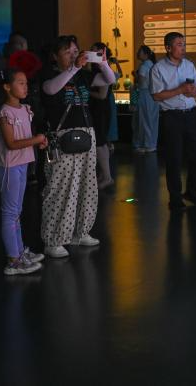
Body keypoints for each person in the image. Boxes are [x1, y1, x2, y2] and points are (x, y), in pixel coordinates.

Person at [39, 36, 117, 258]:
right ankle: (54, 239)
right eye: (67, 52)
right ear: (55, 56)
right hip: (62, 135)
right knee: (60, 188)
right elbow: (51, 89)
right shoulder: (49, 75)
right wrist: (74, 68)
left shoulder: (83, 75)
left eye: (75, 51)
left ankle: (80, 232)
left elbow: (110, 79)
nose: (74, 55)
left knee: (87, 185)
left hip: (86, 133)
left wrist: (103, 62)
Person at [0, 68, 46, 276]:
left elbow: (24, 138)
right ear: (7, 87)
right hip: (10, 167)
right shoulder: (5, 113)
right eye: (20, 83)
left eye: (26, 83)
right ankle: (13, 260)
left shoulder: (24, 109)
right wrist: (36, 139)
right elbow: (12, 143)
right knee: (10, 212)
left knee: (16, 211)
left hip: (21, 164)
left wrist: (37, 141)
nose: (25, 87)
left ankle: (19, 252)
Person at [150, 32, 196, 211]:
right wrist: (180, 90)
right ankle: (175, 198)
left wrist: (193, 92)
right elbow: (156, 96)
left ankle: (192, 191)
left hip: (191, 114)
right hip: (171, 116)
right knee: (174, 158)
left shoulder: (189, 65)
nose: (183, 48)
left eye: (184, 44)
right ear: (168, 48)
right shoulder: (158, 68)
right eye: (179, 44)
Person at [88, 42, 115, 189]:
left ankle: (107, 176)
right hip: (98, 109)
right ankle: (104, 175)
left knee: (100, 143)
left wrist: (84, 90)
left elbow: (102, 95)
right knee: (100, 143)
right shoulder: (96, 69)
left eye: (95, 51)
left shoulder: (103, 69)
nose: (91, 54)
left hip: (100, 110)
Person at [130, 45, 159, 153]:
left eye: (139, 51)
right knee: (151, 120)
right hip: (153, 95)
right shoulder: (153, 65)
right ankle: (151, 144)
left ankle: (144, 144)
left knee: (142, 120)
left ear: (146, 54)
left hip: (144, 94)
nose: (137, 53)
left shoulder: (143, 66)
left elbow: (141, 82)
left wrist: (135, 75)